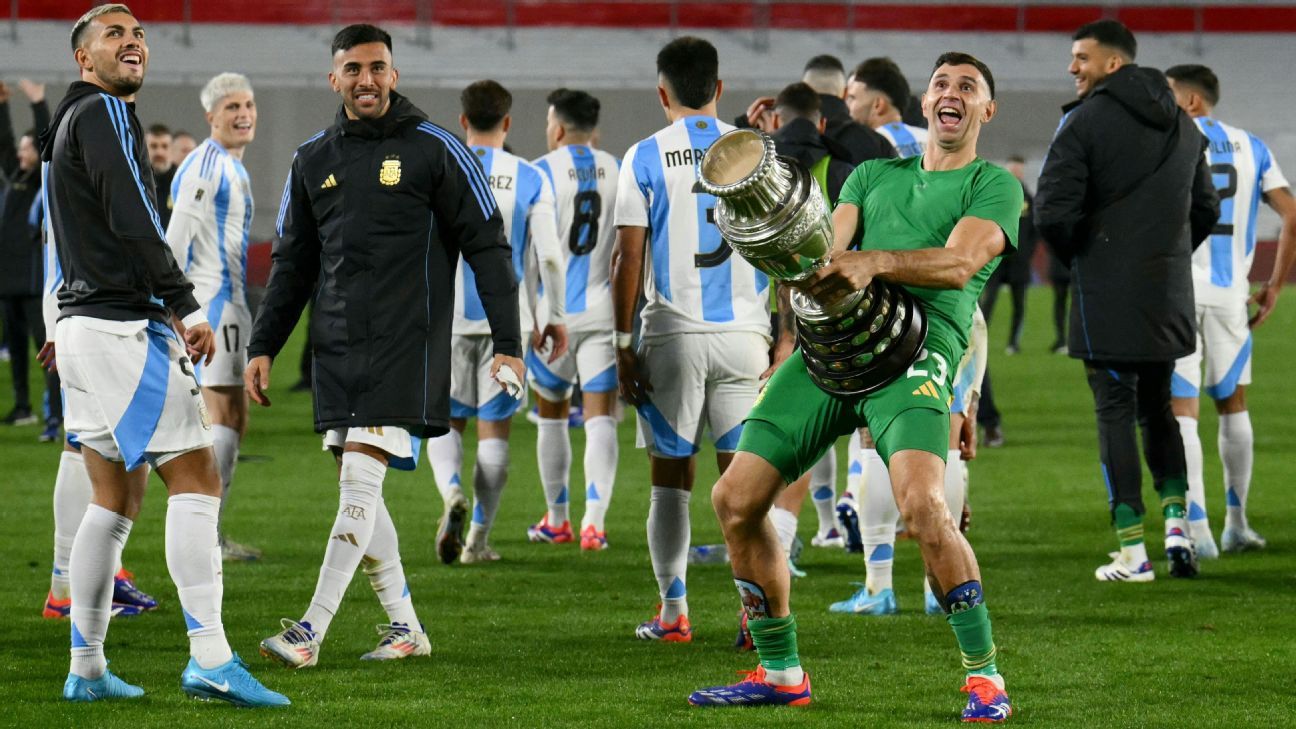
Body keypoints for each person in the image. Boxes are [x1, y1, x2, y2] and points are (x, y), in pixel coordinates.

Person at [686, 52, 1018, 723]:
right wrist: (787, 246)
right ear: (925, 104)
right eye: (942, 84)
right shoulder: (871, 174)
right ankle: (782, 671)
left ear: (986, 109)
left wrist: (878, 262)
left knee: (924, 507)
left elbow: (958, 264)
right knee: (735, 497)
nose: (952, 94)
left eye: (969, 87)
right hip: (828, 352)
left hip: (917, 356)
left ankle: (985, 678)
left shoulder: (994, 184)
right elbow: (827, 252)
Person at [248, 24, 523, 667]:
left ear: (394, 75)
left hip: (407, 343)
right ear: (334, 78)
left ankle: (310, 631)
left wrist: (507, 342)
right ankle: (405, 628)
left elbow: (488, 243)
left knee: (356, 488)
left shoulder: (437, 148)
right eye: (353, 69)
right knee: (360, 493)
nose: (366, 79)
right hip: (338, 346)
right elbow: (292, 263)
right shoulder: (313, 157)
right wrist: (264, 345)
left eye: (377, 68)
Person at [40, 3, 286, 705]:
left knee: (113, 497)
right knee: (198, 474)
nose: (133, 42)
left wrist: (60, 320)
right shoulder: (107, 115)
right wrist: (183, 303)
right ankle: (210, 655)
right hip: (120, 325)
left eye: (139, 32)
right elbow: (133, 215)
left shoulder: (66, 122)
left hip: (84, 324)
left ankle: (86, 666)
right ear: (84, 58)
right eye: (114, 34)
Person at [1035, 19, 1218, 582]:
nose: (1072, 69)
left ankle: (1133, 552)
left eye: (1081, 58)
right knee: (1158, 409)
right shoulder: (1186, 129)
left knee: (1114, 411)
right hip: (1168, 296)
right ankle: (1177, 531)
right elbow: (1206, 209)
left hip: (1108, 297)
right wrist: (1162, 253)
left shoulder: (1082, 122)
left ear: (1112, 64)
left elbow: (1052, 213)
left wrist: (1092, 261)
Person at [613, 36, 772, 643]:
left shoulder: (645, 155)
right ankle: (753, 612)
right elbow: (785, 246)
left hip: (674, 333)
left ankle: (674, 613)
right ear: (719, 89)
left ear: (663, 93)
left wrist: (623, 342)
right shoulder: (754, 151)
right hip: (743, 334)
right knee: (742, 483)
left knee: (670, 477)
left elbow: (627, 257)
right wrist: (781, 336)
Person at [423, 79, 566, 564]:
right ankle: (477, 540)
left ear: (463, 122)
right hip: (509, 326)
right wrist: (554, 317)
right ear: (507, 123)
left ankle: (451, 494)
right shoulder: (529, 177)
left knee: (447, 422)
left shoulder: (439, 170)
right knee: (495, 430)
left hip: (447, 322)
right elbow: (549, 259)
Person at [1164, 64, 1296, 556]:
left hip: (1176, 294)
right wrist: (1275, 287)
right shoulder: (1252, 146)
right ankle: (1237, 523)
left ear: (1192, 101)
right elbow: (1291, 215)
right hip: (1229, 295)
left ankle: (1197, 532)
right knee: (1233, 406)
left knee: (1182, 413)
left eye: (1170, 94)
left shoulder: (1166, 140)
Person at [831, 307, 987, 616]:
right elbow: (976, 318)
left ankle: (878, 588)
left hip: (888, 316)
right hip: (952, 321)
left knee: (874, 442)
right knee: (947, 439)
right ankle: (940, 591)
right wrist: (973, 402)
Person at [165, 72, 261, 561]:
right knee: (220, 414)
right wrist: (186, 311)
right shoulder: (206, 167)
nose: (243, 113)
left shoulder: (230, 164)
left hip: (230, 303)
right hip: (212, 305)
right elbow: (174, 244)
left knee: (232, 415)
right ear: (210, 117)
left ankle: (210, 532)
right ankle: (207, 537)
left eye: (248, 104)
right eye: (231, 107)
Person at [526, 88, 621, 550]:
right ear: (594, 131)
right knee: (601, 415)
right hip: (603, 309)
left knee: (552, 414)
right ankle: (594, 523)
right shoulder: (616, 168)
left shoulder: (539, 172)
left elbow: (530, 253)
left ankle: (558, 519)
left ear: (557, 129)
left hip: (552, 315)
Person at [0, 78, 53, 429]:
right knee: (17, 350)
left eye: (27, 148)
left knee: (45, 351)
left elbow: (48, 142)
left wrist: (38, 104)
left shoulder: (41, 179)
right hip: (9, 280)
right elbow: (3, 145)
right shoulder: (15, 176)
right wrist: (3, 105)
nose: (22, 154)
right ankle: (22, 406)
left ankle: (57, 413)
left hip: (35, 282)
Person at [981, 155, 1036, 355]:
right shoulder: (996, 193)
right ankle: (979, 341)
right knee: (988, 301)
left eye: (1019, 170)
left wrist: (1027, 253)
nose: (1017, 173)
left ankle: (1013, 343)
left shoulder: (1028, 197)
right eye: (1013, 169)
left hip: (1019, 261)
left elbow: (1033, 229)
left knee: (1019, 304)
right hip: (997, 258)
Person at [845, 57, 929, 158]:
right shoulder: (931, 139)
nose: (846, 105)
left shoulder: (865, 147)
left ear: (878, 105)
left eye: (852, 98)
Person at [144, 122, 174, 228]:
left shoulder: (182, 183)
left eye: (164, 146)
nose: (159, 152)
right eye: (153, 146)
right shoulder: (131, 183)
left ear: (172, 150)